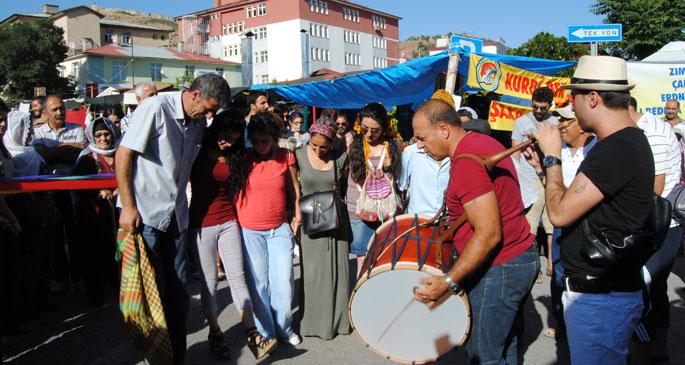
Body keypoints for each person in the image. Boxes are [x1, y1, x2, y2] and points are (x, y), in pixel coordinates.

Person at [527, 55, 654, 364]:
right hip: (604, 294)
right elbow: (580, 204)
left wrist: (552, 157)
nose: (571, 104)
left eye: (575, 96)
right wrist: (545, 171)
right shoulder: (620, 144)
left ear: (594, 98)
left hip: (601, 299)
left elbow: (558, 214)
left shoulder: (617, 149)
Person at [412, 99, 538, 364]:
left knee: (483, 355)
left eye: (422, 138)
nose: (419, 145)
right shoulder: (482, 142)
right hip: (518, 258)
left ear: (444, 130)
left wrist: (447, 282)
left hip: (500, 268)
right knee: (507, 346)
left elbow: (489, 234)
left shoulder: (467, 163)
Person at [116, 73, 230, 364]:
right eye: (207, 109)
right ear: (193, 94)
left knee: (179, 292)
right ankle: (153, 356)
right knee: (150, 293)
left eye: (212, 113)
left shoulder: (196, 123)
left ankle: (174, 357)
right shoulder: (155, 108)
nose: (208, 117)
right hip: (146, 216)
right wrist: (128, 207)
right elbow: (123, 154)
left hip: (176, 217)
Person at [188, 109, 270, 359]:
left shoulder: (235, 155)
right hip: (201, 224)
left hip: (228, 221)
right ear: (216, 130)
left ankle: (251, 332)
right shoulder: (197, 151)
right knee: (210, 282)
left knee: (238, 277)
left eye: (234, 139)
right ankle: (215, 332)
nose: (228, 142)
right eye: (225, 137)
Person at [236, 112, 302, 349]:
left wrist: (297, 215)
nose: (260, 146)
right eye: (256, 141)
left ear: (274, 138)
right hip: (249, 230)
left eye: (265, 141)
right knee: (259, 284)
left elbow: (295, 189)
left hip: (279, 228)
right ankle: (266, 331)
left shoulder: (286, 156)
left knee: (283, 281)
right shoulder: (243, 158)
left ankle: (284, 328)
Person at [628, 97, 682, 363]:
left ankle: (645, 353)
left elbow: (654, 190)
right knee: (655, 288)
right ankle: (658, 352)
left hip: (660, 224)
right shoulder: (638, 130)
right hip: (652, 222)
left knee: (644, 285)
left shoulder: (653, 132)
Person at [294, 120, 351, 340]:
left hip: (336, 221)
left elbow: (344, 188)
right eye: (314, 145)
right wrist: (295, 216)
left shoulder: (340, 158)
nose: (318, 150)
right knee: (313, 274)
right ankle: (312, 323)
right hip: (311, 222)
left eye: (323, 147)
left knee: (338, 271)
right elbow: (294, 191)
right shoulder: (298, 155)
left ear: (332, 143)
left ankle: (337, 322)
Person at [543, 105, 596, 340]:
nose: (560, 127)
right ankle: (562, 324)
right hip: (562, 225)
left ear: (581, 126)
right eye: (559, 122)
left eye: (566, 122)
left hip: (587, 228)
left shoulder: (598, 150)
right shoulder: (559, 151)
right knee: (557, 275)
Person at [32, 94, 86, 292]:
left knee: (75, 233)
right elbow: (40, 155)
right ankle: (61, 278)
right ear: (45, 113)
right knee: (55, 236)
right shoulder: (37, 133)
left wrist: (55, 152)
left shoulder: (77, 129)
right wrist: (67, 147)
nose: (60, 112)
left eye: (62, 108)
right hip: (49, 192)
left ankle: (78, 277)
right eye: (54, 109)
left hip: (72, 190)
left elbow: (78, 156)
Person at [346, 102, 402, 275]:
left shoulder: (394, 145)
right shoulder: (352, 142)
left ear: (384, 128)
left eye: (375, 130)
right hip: (359, 209)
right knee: (363, 262)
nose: (369, 134)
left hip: (387, 209)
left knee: (385, 260)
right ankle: (360, 298)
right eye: (365, 129)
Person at [512, 87, 559, 281]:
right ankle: (534, 267)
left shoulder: (555, 122)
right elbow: (514, 151)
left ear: (550, 106)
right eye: (535, 107)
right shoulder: (522, 122)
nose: (538, 111)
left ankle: (551, 262)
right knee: (530, 225)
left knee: (551, 224)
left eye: (543, 108)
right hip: (528, 179)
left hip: (548, 177)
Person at [72, 117, 119, 306]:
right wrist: (98, 192)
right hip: (95, 214)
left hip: (118, 211)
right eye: (98, 135)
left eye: (107, 134)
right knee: (94, 253)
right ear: (92, 136)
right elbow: (79, 186)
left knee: (116, 250)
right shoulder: (87, 158)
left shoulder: (120, 154)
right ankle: (96, 292)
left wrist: (118, 191)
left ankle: (117, 285)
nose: (103, 138)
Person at [398, 137, 450, 217]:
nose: (418, 145)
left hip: (448, 220)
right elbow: (401, 187)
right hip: (418, 220)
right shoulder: (410, 152)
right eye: (416, 138)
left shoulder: (454, 153)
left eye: (422, 138)